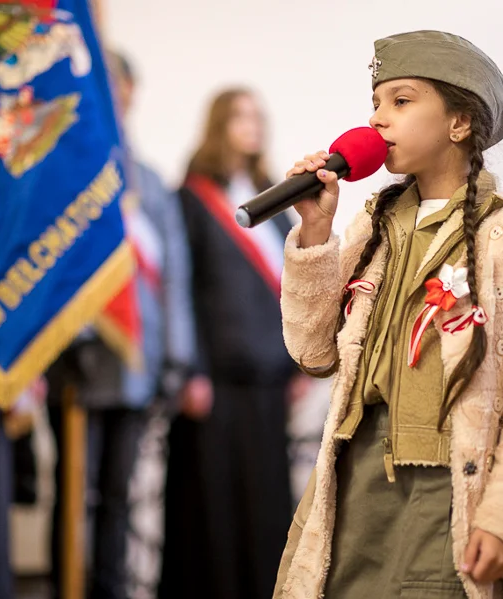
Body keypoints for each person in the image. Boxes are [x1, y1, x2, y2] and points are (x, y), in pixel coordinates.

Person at [273, 31, 503, 599]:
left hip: (450, 484)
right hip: (359, 481)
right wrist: (315, 234)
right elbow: (314, 353)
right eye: (375, 103)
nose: (377, 120)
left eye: (401, 101)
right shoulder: (372, 226)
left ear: (459, 124)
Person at [45, 49, 196, 599]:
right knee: (73, 491)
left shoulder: (149, 183)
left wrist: (178, 359)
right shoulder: (61, 172)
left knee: (117, 495)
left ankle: (108, 590)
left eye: (120, 85)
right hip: (77, 362)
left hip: (137, 360)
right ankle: (68, 586)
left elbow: (173, 274)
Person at [159, 89, 309, 599]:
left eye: (258, 116)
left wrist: (297, 365)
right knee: (213, 505)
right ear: (219, 123)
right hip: (214, 380)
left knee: (264, 502)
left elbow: (296, 280)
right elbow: (181, 290)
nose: (252, 126)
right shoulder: (192, 197)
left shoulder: (275, 194)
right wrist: (190, 370)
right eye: (241, 116)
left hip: (267, 377)